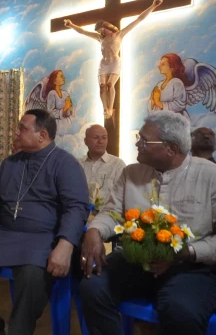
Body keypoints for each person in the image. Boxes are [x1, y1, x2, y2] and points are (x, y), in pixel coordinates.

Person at [79, 111, 216, 335]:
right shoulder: (131, 173)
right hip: (136, 260)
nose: (137, 144)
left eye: (143, 140)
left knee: (180, 311)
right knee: (92, 287)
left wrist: (187, 252)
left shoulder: (210, 176)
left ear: (171, 149)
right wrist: (94, 231)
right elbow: (113, 213)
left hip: (190, 267)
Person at [0, 109, 89, 335]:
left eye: (22, 128)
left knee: (32, 274)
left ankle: (20, 328)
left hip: (42, 236)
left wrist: (66, 244)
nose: (16, 133)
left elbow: (77, 207)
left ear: (42, 135)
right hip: (5, 232)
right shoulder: (10, 163)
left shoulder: (65, 164)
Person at [65, 0, 163, 119]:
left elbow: (139, 19)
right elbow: (83, 32)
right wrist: (71, 25)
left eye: (102, 30)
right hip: (104, 64)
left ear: (106, 27)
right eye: (99, 31)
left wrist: (153, 6)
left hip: (115, 63)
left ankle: (110, 108)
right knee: (101, 87)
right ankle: (105, 109)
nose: (101, 33)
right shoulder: (100, 38)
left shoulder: (119, 35)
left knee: (110, 85)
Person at [79, 124, 126, 208]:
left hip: (108, 216)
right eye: (96, 137)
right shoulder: (77, 164)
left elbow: (122, 197)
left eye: (104, 138)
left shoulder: (118, 165)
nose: (100, 141)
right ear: (85, 141)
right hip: (80, 215)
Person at [148, 53, 191, 120]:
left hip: (177, 121)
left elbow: (179, 105)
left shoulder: (176, 82)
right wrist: (153, 102)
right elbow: (152, 106)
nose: (159, 66)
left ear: (172, 68)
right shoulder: (159, 84)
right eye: (160, 64)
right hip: (162, 120)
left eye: (163, 64)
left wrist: (158, 102)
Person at [45, 70, 74, 136]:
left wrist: (69, 110)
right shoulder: (52, 93)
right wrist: (65, 108)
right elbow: (50, 112)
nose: (64, 78)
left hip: (67, 123)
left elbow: (70, 111)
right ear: (54, 81)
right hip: (56, 125)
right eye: (61, 76)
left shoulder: (65, 93)